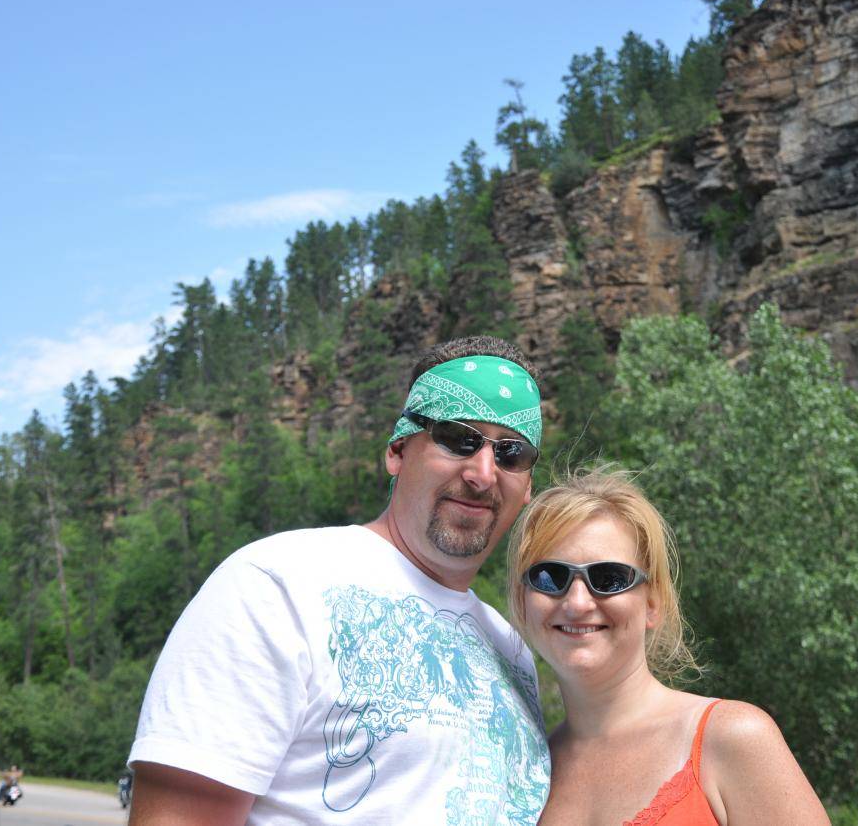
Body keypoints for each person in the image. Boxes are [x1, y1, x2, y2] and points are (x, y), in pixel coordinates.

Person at [128, 336, 551, 826]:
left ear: (527, 488)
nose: (483, 472)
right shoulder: (276, 586)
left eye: (511, 453)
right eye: (458, 439)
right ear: (397, 450)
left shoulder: (513, 650)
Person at [508, 469, 830, 825]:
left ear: (653, 603)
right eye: (549, 576)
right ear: (523, 602)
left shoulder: (732, 740)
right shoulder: (522, 775)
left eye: (609, 578)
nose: (578, 602)